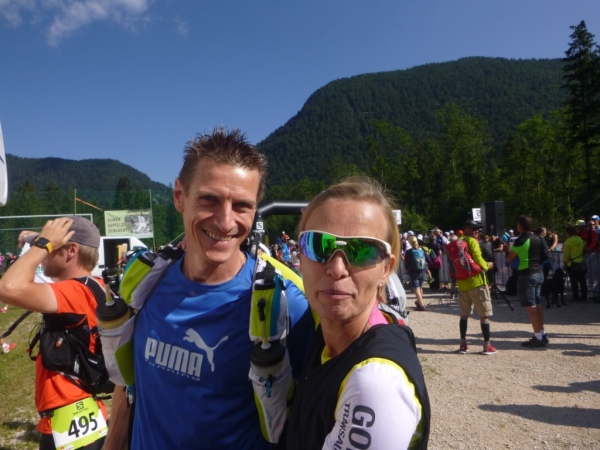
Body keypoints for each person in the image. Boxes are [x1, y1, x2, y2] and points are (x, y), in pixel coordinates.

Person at [106, 127, 313, 450]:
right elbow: (128, 385)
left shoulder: (283, 304)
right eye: (209, 199)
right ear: (179, 196)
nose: (226, 222)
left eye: (242, 205)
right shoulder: (145, 283)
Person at [286, 176, 430, 450]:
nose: (337, 269)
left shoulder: (375, 385)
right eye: (319, 246)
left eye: (363, 250)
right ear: (300, 258)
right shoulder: (328, 333)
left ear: (386, 269)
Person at [0, 215, 108, 450]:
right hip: (82, 416)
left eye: (52, 247)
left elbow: (8, 288)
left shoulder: (74, 292)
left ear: (71, 250)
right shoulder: (94, 285)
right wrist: (35, 239)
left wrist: (41, 243)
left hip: (70, 427)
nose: (45, 253)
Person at [506, 215, 550, 348]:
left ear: (519, 226)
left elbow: (510, 259)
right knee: (537, 304)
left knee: (531, 307)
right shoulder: (539, 237)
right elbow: (547, 255)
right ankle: (542, 333)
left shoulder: (521, 240)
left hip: (526, 274)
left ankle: (537, 337)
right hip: (538, 272)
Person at [454, 220, 497, 355]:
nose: (477, 232)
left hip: (462, 283)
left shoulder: (458, 242)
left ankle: (463, 344)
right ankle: (487, 345)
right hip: (477, 283)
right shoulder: (472, 241)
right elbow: (478, 258)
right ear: (467, 229)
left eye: (478, 229)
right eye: (474, 229)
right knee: (484, 315)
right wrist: (487, 265)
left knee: (464, 315)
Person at [404, 235, 431, 311]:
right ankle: (419, 302)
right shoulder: (422, 251)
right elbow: (429, 260)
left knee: (416, 289)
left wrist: (407, 269)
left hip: (413, 272)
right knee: (420, 287)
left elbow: (406, 262)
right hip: (422, 271)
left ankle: (421, 306)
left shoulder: (409, 252)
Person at [563, 223, 587, 302]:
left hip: (572, 264)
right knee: (583, 281)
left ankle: (575, 297)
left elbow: (566, 255)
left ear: (569, 233)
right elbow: (584, 247)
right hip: (581, 263)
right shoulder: (580, 240)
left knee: (574, 282)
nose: (565, 234)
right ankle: (584, 297)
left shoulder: (568, 241)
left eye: (566, 233)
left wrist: (564, 264)